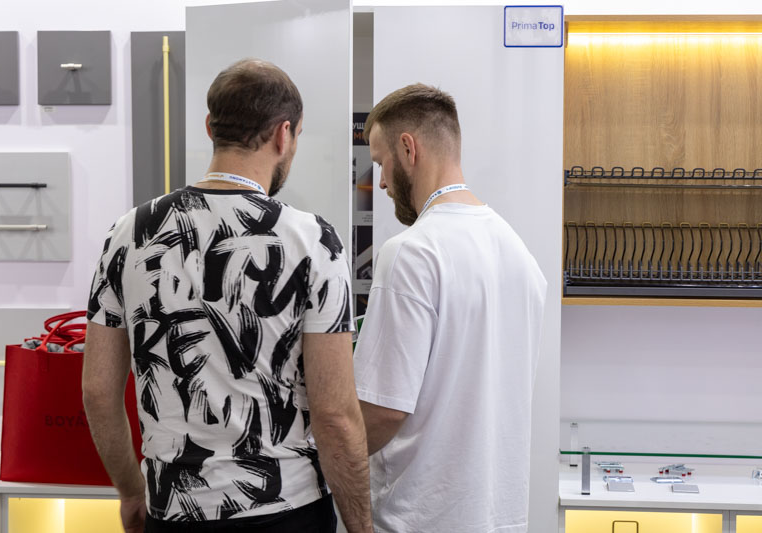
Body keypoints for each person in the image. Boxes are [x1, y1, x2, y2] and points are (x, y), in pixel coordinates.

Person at [83, 59, 372, 533]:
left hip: (173, 510)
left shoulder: (129, 233)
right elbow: (335, 413)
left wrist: (132, 491)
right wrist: (361, 526)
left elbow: (98, 390)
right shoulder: (313, 241)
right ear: (284, 135)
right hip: (285, 510)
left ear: (209, 127)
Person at [353, 84, 548, 533]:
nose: (380, 183)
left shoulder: (412, 252)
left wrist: (314, 455)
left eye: (380, 163)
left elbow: (384, 410)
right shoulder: (518, 253)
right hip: (499, 518)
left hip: (421, 520)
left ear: (408, 149)